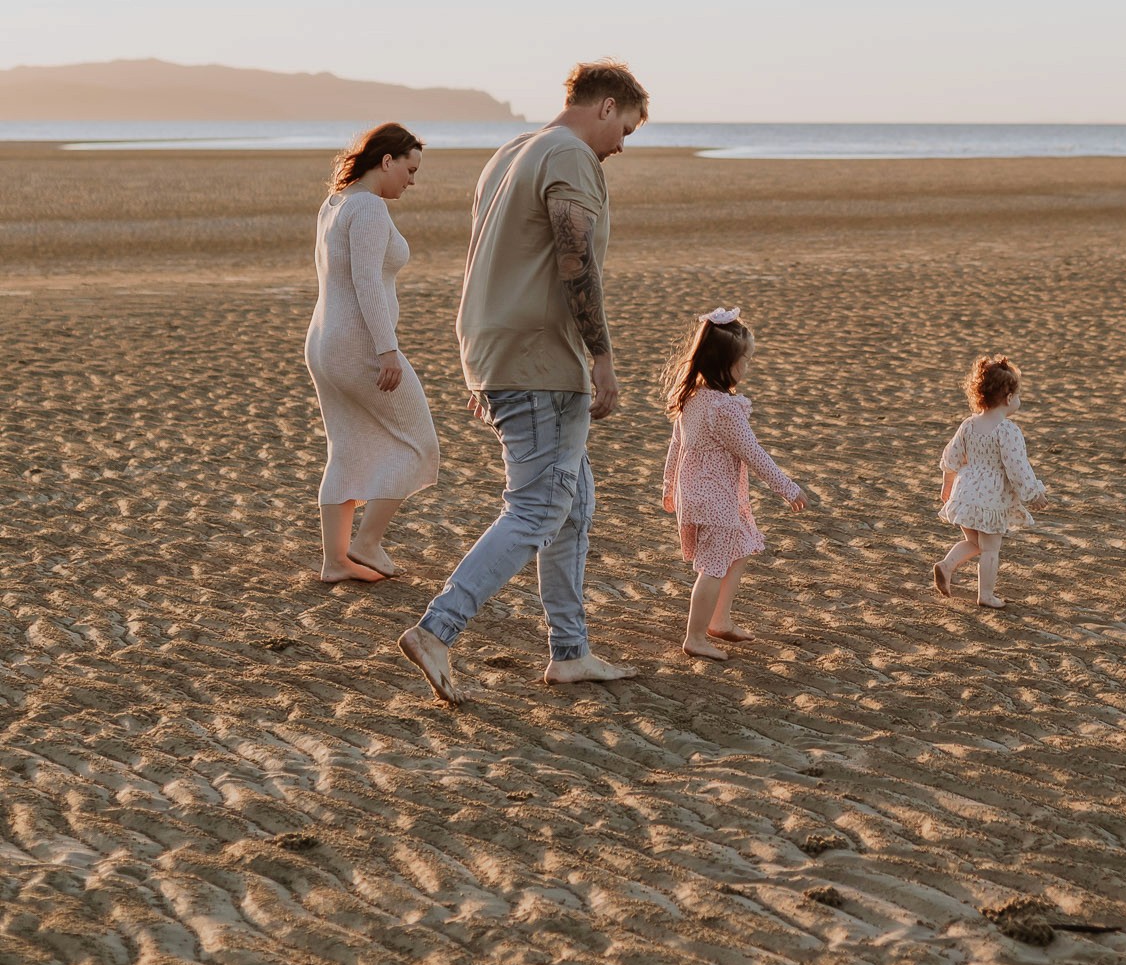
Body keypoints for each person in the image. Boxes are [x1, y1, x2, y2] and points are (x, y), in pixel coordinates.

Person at [398, 60, 648, 702]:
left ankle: (570, 653)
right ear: (605, 106)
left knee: (573, 505)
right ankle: (438, 628)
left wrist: (486, 365)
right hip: (540, 356)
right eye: (627, 125)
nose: (623, 143)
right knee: (538, 506)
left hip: (497, 347)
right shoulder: (570, 156)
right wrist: (602, 354)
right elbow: (574, 257)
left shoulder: (510, 153)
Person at [305, 122, 439, 586]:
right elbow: (365, 283)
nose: (412, 180)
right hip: (358, 345)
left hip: (323, 341)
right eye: (410, 168)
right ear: (387, 161)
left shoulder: (335, 202)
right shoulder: (368, 208)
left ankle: (335, 561)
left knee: (345, 447)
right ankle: (366, 543)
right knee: (420, 443)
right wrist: (388, 350)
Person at [661, 306, 807, 659]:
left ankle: (720, 620)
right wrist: (788, 488)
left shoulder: (691, 398)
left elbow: (675, 446)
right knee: (712, 567)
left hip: (696, 492)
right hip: (715, 500)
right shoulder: (723, 410)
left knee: (740, 548)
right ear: (725, 363)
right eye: (745, 359)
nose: (748, 366)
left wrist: (668, 488)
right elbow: (752, 454)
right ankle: (695, 636)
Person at [933, 355, 1047, 610]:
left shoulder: (968, 425)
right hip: (991, 499)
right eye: (1017, 396)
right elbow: (1018, 468)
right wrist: (1033, 493)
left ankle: (946, 565)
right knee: (990, 549)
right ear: (1008, 399)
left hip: (964, 495)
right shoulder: (1008, 431)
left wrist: (947, 485)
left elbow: (950, 456)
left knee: (974, 543)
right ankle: (985, 594)